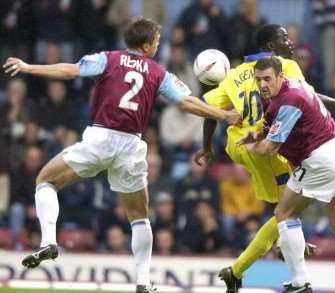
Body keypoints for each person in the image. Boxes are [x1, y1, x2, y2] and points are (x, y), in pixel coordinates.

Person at [3, 17, 240, 293]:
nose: (158, 46)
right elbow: (186, 102)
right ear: (148, 45)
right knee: (139, 217)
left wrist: (29, 66)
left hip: (100, 138)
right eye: (157, 42)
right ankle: (142, 281)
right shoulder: (157, 72)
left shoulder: (108, 59)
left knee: (45, 180)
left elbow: (71, 70)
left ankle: (48, 241)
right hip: (131, 146)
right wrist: (224, 115)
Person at [194, 24, 335, 292]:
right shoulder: (285, 66)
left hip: (239, 144)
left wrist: (207, 147)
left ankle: (287, 241)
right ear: (272, 47)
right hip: (267, 144)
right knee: (287, 211)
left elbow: (208, 110)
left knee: (283, 212)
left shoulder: (233, 75)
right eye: (284, 38)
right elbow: (308, 96)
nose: (290, 42)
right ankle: (245, 266)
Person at [237, 56, 335, 293]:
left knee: (284, 212)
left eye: (268, 79)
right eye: (259, 80)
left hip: (322, 158)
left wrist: (249, 150)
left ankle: (300, 283)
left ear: (280, 76)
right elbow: (309, 101)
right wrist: (256, 134)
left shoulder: (288, 101)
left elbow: (270, 149)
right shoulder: (295, 85)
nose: (262, 85)